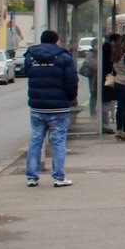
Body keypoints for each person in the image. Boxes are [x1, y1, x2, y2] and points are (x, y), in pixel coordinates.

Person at [23, 30, 78, 187]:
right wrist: (70, 98)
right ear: (56, 41)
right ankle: (59, 177)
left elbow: (29, 74)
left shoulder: (30, 56)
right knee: (58, 141)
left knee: (35, 140)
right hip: (58, 108)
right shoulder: (64, 57)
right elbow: (72, 81)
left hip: (37, 106)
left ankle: (32, 177)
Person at [100, 33, 120, 133]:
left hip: (107, 77)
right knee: (107, 101)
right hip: (108, 78)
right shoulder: (107, 50)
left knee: (109, 101)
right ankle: (105, 125)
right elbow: (109, 66)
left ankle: (106, 123)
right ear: (113, 42)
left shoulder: (107, 49)